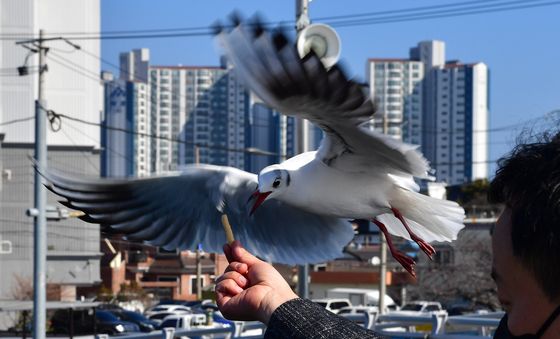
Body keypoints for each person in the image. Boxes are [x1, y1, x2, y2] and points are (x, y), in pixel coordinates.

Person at [215, 131, 560, 338]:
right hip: (375, 204)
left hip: (388, 196)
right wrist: (275, 304)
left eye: (507, 303)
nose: (507, 328)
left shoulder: (321, 161)